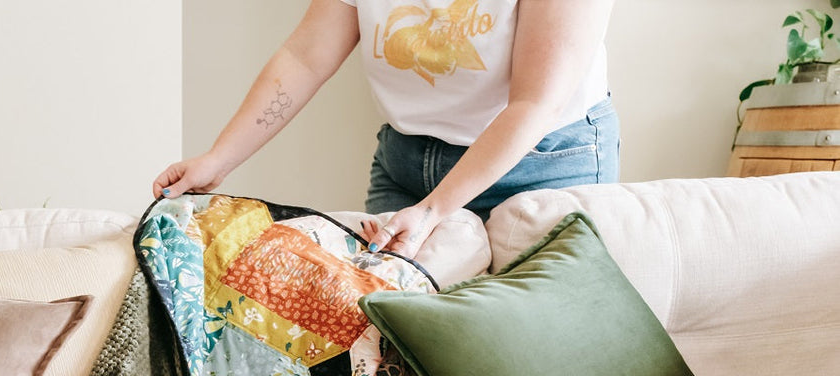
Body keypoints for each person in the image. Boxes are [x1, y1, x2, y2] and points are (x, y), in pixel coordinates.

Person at [152, 0, 618, 258]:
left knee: (520, 346)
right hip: (407, 161)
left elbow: (535, 103)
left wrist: (433, 212)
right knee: (394, 341)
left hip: (538, 162)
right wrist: (219, 159)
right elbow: (304, 58)